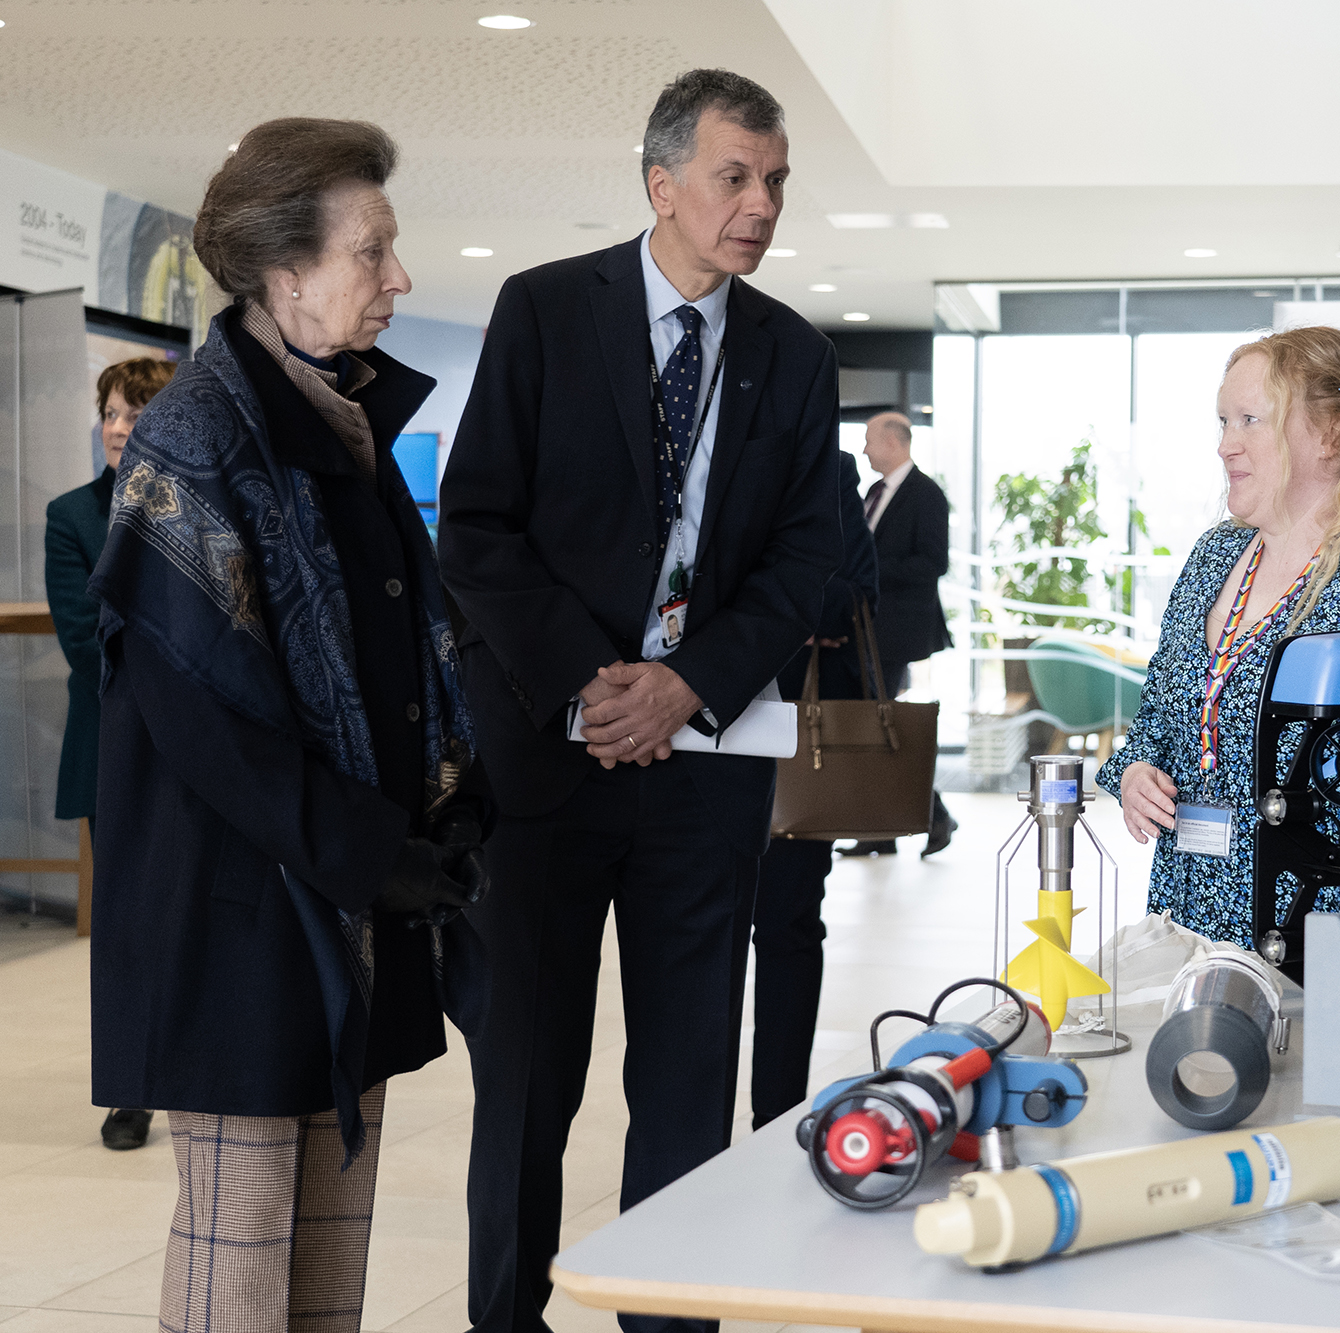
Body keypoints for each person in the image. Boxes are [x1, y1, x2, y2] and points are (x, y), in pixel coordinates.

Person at [438, 69, 841, 1333]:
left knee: (683, 1082)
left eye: (775, 180)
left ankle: (669, 1318)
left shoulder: (793, 352)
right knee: (526, 1079)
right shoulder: (547, 309)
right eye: (735, 176)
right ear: (661, 184)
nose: (761, 203)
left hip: (706, 768)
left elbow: (807, 562)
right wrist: (591, 684)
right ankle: (504, 1317)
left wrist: (685, 684)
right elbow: (478, 526)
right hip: (548, 766)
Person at [86, 117, 490, 1333]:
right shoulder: (197, 435)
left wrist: (443, 805)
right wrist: (370, 847)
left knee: (329, 1238)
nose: (397, 278)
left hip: (340, 886)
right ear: (286, 272)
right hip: (240, 901)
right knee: (240, 1237)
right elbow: (199, 710)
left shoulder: (337, 422)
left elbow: (404, 645)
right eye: (373, 252)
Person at [1097, 325, 1340, 950]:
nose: (1226, 445)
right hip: (1187, 910)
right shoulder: (1214, 556)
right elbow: (1159, 722)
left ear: (1331, 436)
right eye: (1222, 422)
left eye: (1250, 420)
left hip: (1328, 928)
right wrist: (1137, 772)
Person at [45, 354, 174, 1152]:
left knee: (186, 918)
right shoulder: (72, 514)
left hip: (203, 751)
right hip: (115, 742)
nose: (118, 428)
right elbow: (82, 638)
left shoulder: (194, 501)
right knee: (125, 926)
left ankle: (189, 1063)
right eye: (110, 412)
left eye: (133, 414)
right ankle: (130, 1086)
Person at [751, 449, 880, 1128]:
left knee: (788, 924)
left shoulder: (825, 473)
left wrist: (762, 601)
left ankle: (775, 1115)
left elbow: (855, 593)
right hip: (688, 738)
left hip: (804, 742)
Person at [841, 409, 955, 856]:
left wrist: (866, 571)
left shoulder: (925, 494)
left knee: (881, 724)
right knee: (875, 725)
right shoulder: (873, 491)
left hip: (896, 631)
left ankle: (933, 816)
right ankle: (884, 830)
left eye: (869, 439)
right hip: (866, 629)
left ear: (894, 442)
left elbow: (932, 563)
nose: (864, 448)